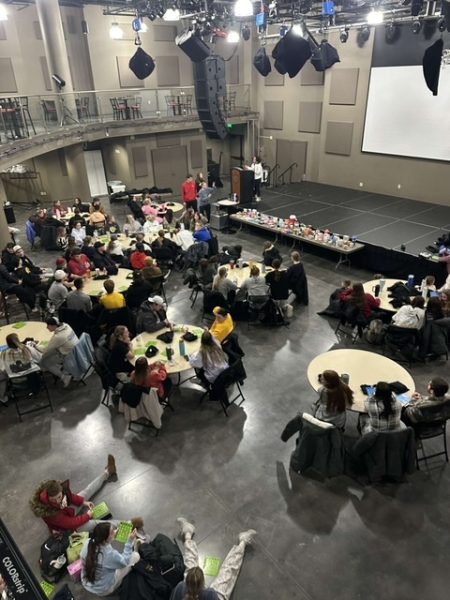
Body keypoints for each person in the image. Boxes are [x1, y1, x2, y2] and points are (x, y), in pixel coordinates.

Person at [30, 456, 142, 534]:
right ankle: (128, 525)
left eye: (60, 496)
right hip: (67, 529)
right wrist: (88, 515)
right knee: (95, 524)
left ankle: (107, 472)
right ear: (48, 498)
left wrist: (83, 502)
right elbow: (70, 523)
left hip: (66, 513)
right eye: (55, 499)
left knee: (86, 491)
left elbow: (70, 496)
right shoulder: (50, 513)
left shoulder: (57, 489)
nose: (59, 500)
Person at [171, 517, 256, 600]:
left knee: (190, 563)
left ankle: (187, 533)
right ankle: (243, 541)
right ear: (203, 584)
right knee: (227, 574)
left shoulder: (180, 587)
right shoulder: (210, 593)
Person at [81, 523, 141, 597]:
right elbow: (124, 562)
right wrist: (129, 542)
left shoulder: (88, 542)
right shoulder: (109, 554)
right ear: (104, 539)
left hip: (87, 583)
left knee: (108, 566)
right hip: (104, 589)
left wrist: (112, 535)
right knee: (136, 556)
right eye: (112, 532)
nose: (115, 531)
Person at [40, 317, 79, 386]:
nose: (47, 328)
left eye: (48, 326)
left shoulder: (58, 337)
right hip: (77, 351)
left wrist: (35, 346)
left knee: (44, 361)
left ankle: (64, 377)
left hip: (70, 357)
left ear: (53, 325)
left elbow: (45, 350)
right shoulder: (67, 326)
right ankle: (63, 369)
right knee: (52, 352)